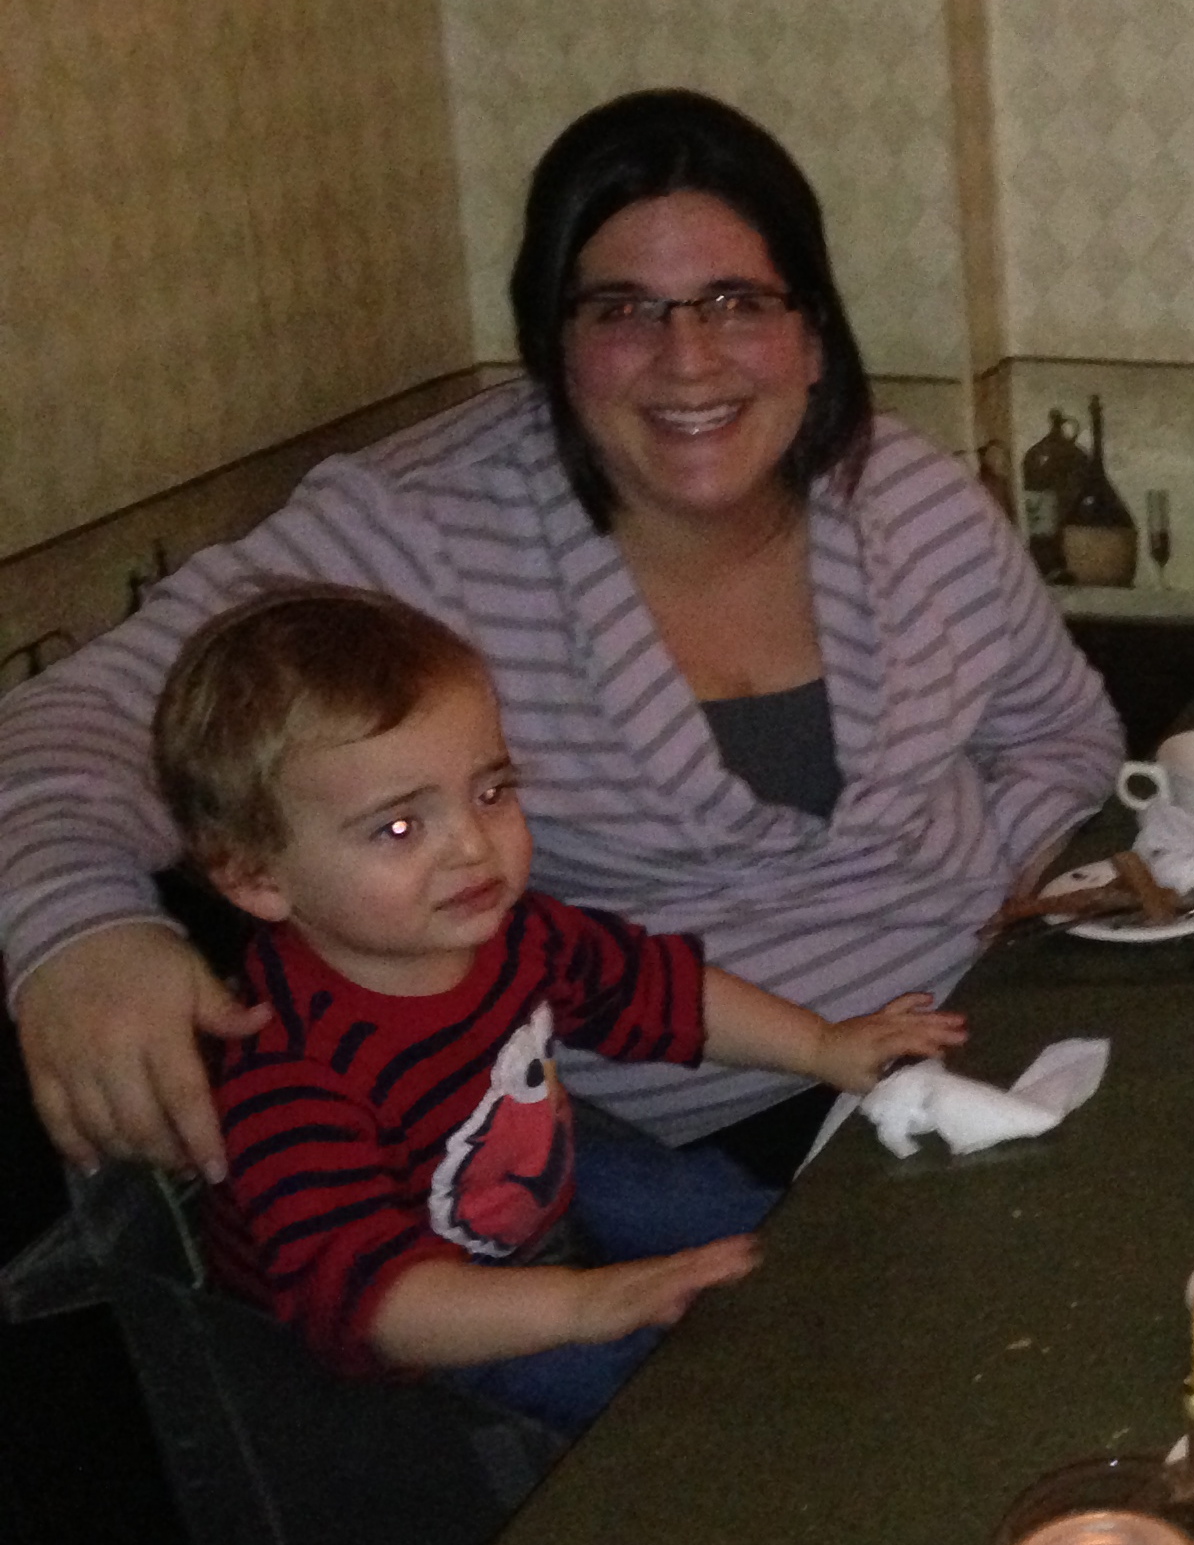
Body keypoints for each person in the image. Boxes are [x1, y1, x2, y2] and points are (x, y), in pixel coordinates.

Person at [0, 88, 1120, 1250]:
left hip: (987, 1041)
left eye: (737, 302)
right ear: (553, 344)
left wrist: (1019, 917)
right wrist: (83, 933)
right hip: (685, 1153)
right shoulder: (421, 534)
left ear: (812, 335)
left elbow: (1059, 737)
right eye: (622, 310)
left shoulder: (906, 495)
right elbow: (63, 720)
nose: (688, 360)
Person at [152, 586, 966, 1428]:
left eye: (491, 791)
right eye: (399, 828)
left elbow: (658, 989)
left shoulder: (513, 933)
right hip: (414, 1346)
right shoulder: (291, 1077)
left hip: (525, 1201)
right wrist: (581, 1303)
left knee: (710, 1207)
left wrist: (822, 1046)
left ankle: (864, 1295)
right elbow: (376, 1305)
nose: (472, 845)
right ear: (257, 878)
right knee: (636, 1392)